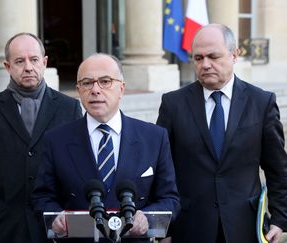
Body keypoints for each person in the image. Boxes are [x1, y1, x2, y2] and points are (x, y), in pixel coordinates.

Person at [156, 24, 287, 243]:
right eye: (198, 58)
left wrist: (280, 218)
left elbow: (278, 168)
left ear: (234, 55)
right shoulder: (173, 104)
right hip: (189, 227)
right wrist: (163, 228)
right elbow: (161, 169)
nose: (205, 64)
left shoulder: (262, 102)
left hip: (245, 227)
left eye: (213, 56)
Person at [31, 53, 180, 242]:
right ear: (78, 90)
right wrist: (55, 216)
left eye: (105, 81)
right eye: (87, 83)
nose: (95, 89)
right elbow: (41, 197)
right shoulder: (56, 140)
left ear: (121, 88)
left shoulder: (154, 137)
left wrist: (146, 217)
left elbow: (170, 200)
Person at [0, 32, 83, 243]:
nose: (28, 67)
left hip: (59, 227)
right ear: (8, 66)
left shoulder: (69, 108)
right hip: (10, 228)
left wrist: (68, 212)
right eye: (19, 61)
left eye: (34, 60)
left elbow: (79, 166)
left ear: (44, 62)